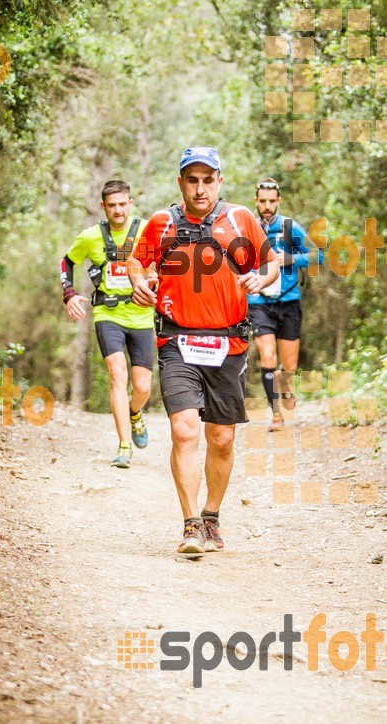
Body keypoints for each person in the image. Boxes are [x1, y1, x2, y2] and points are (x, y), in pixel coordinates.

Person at [127, 147, 278, 554]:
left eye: (207, 180)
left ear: (219, 182)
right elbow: (137, 264)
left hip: (229, 342)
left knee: (222, 438)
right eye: (192, 180)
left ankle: (211, 518)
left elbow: (271, 264)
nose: (200, 188)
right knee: (183, 429)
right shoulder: (161, 223)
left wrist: (260, 280)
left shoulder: (241, 218)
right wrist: (140, 282)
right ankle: (190, 524)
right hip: (176, 341)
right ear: (181, 183)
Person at [59, 179, 154, 467]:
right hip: (107, 313)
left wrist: (156, 280)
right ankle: (124, 445)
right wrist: (69, 294)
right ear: (103, 206)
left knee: (143, 387)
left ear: (130, 203)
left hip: (141, 315)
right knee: (117, 374)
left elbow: (165, 263)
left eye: (122, 204)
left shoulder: (147, 230)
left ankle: (135, 412)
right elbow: (66, 262)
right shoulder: (91, 236)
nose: (118, 211)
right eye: (112, 206)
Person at [248, 177, 323, 431]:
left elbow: (318, 256)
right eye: (263, 201)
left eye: (272, 201)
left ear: (278, 202)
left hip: (289, 302)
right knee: (267, 355)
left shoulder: (290, 227)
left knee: (288, 367)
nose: (267, 206)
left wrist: (291, 259)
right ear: (256, 201)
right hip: (258, 302)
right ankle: (276, 415)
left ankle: (285, 383)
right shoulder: (248, 227)